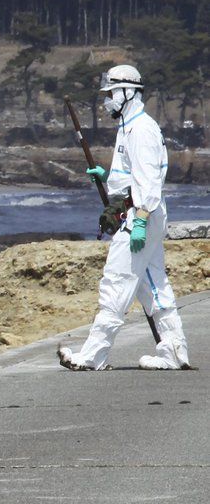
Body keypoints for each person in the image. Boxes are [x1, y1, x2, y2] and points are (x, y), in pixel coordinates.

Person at [59, 65, 190, 371]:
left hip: (141, 214)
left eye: (111, 94)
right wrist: (107, 177)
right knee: (153, 285)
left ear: (128, 92)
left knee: (116, 281)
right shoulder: (129, 127)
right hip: (142, 211)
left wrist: (140, 220)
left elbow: (149, 181)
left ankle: (93, 356)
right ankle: (174, 350)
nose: (106, 102)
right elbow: (132, 175)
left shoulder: (141, 130)